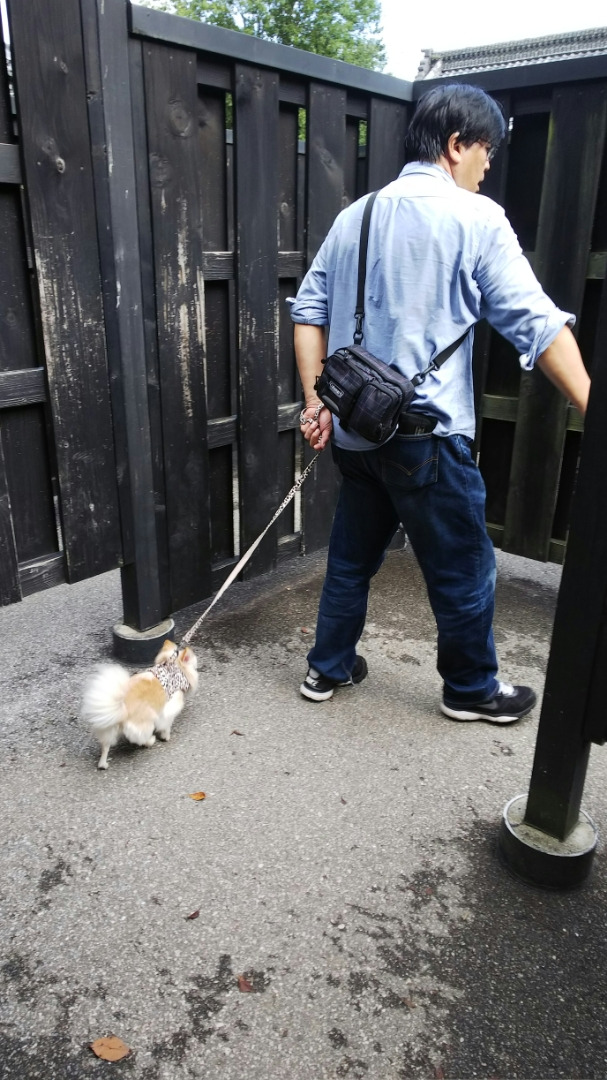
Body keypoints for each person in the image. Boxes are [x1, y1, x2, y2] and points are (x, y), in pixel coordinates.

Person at [289, 83, 590, 724]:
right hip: (427, 440)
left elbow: (308, 313)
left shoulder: (354, 216)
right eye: (486, 152)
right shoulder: (475, 218)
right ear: (456, 145)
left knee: (349, 560)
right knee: (464, 571)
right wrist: (591, 400)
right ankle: (472, 690)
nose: (487, 167)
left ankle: (327, 667)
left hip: (353, 431)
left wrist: (318, 399)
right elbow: (536, 322)